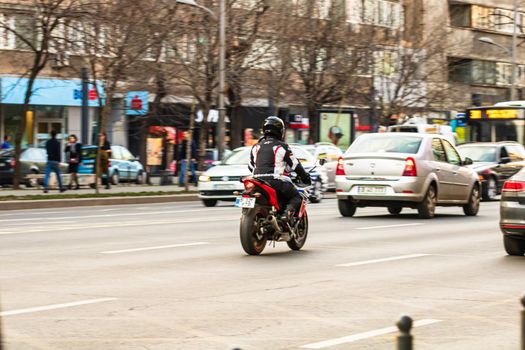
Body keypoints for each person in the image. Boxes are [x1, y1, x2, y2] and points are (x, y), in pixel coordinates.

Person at [248, 116, 311, 222]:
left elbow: (251, 166)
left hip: (256, 181)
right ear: (280, 131)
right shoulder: (282, 146)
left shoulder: (255, 147)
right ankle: (285, 216)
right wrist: (305, 177)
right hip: (275, 181)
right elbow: (295, 165)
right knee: (297, 197)